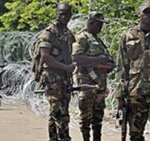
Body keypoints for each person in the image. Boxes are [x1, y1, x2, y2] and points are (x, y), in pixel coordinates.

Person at [115, 1, 150, 141]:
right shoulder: (127, 36)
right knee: (135, 134)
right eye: (145, 12)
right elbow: (122, 67)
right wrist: (120, 94)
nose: (148, 15)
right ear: (139, 14)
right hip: (135, 92)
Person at [35, 3, 75, 141]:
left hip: (64, 78)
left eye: (66, 14)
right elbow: (45, 56)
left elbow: (71, 55)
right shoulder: (49, 33)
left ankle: (53, 138)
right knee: (58, 110)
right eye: (61, 13)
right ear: (56, 13)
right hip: (52, 77)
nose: (64, 17)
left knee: (60, 109)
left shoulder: (68, 34)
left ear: (70, 15)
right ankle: (64, 138)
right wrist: (65, 67)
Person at [72, 12, 114, 141]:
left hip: (100, 83)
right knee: (86, 117)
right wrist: (97, 60)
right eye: (98, 23)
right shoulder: (82, 37)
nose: (101, 26)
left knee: (98, 116)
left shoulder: (97, 39)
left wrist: (109, 65)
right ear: (90, 22)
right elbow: (76, 58)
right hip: (87, 83)